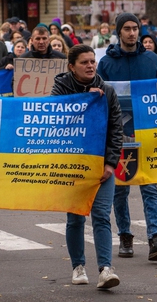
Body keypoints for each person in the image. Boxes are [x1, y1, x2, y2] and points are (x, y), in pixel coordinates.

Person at [97, 13, 157, 261]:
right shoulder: (106, 63)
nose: (132, 33)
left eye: (135, 28)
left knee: (149, 185)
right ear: (119, 32)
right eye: (127, 29)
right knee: (120, 188)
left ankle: (155, 237)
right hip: (118, 134)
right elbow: (98, 97)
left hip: (147, 133)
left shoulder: (152, 59)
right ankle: (125, 236)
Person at [51, 43, 122, 289]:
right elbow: (56, 125)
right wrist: (85, 102)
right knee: (76, 218)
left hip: (102, 166)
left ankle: (105, 268)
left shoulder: (108, 91)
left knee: (102, 215)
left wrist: (110, 164)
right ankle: (78, 266)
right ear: (71, 66)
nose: (90, 65)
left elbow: (116, 130)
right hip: (73, 166)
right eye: (84, 62)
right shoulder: (59, 91)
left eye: (92, 61)